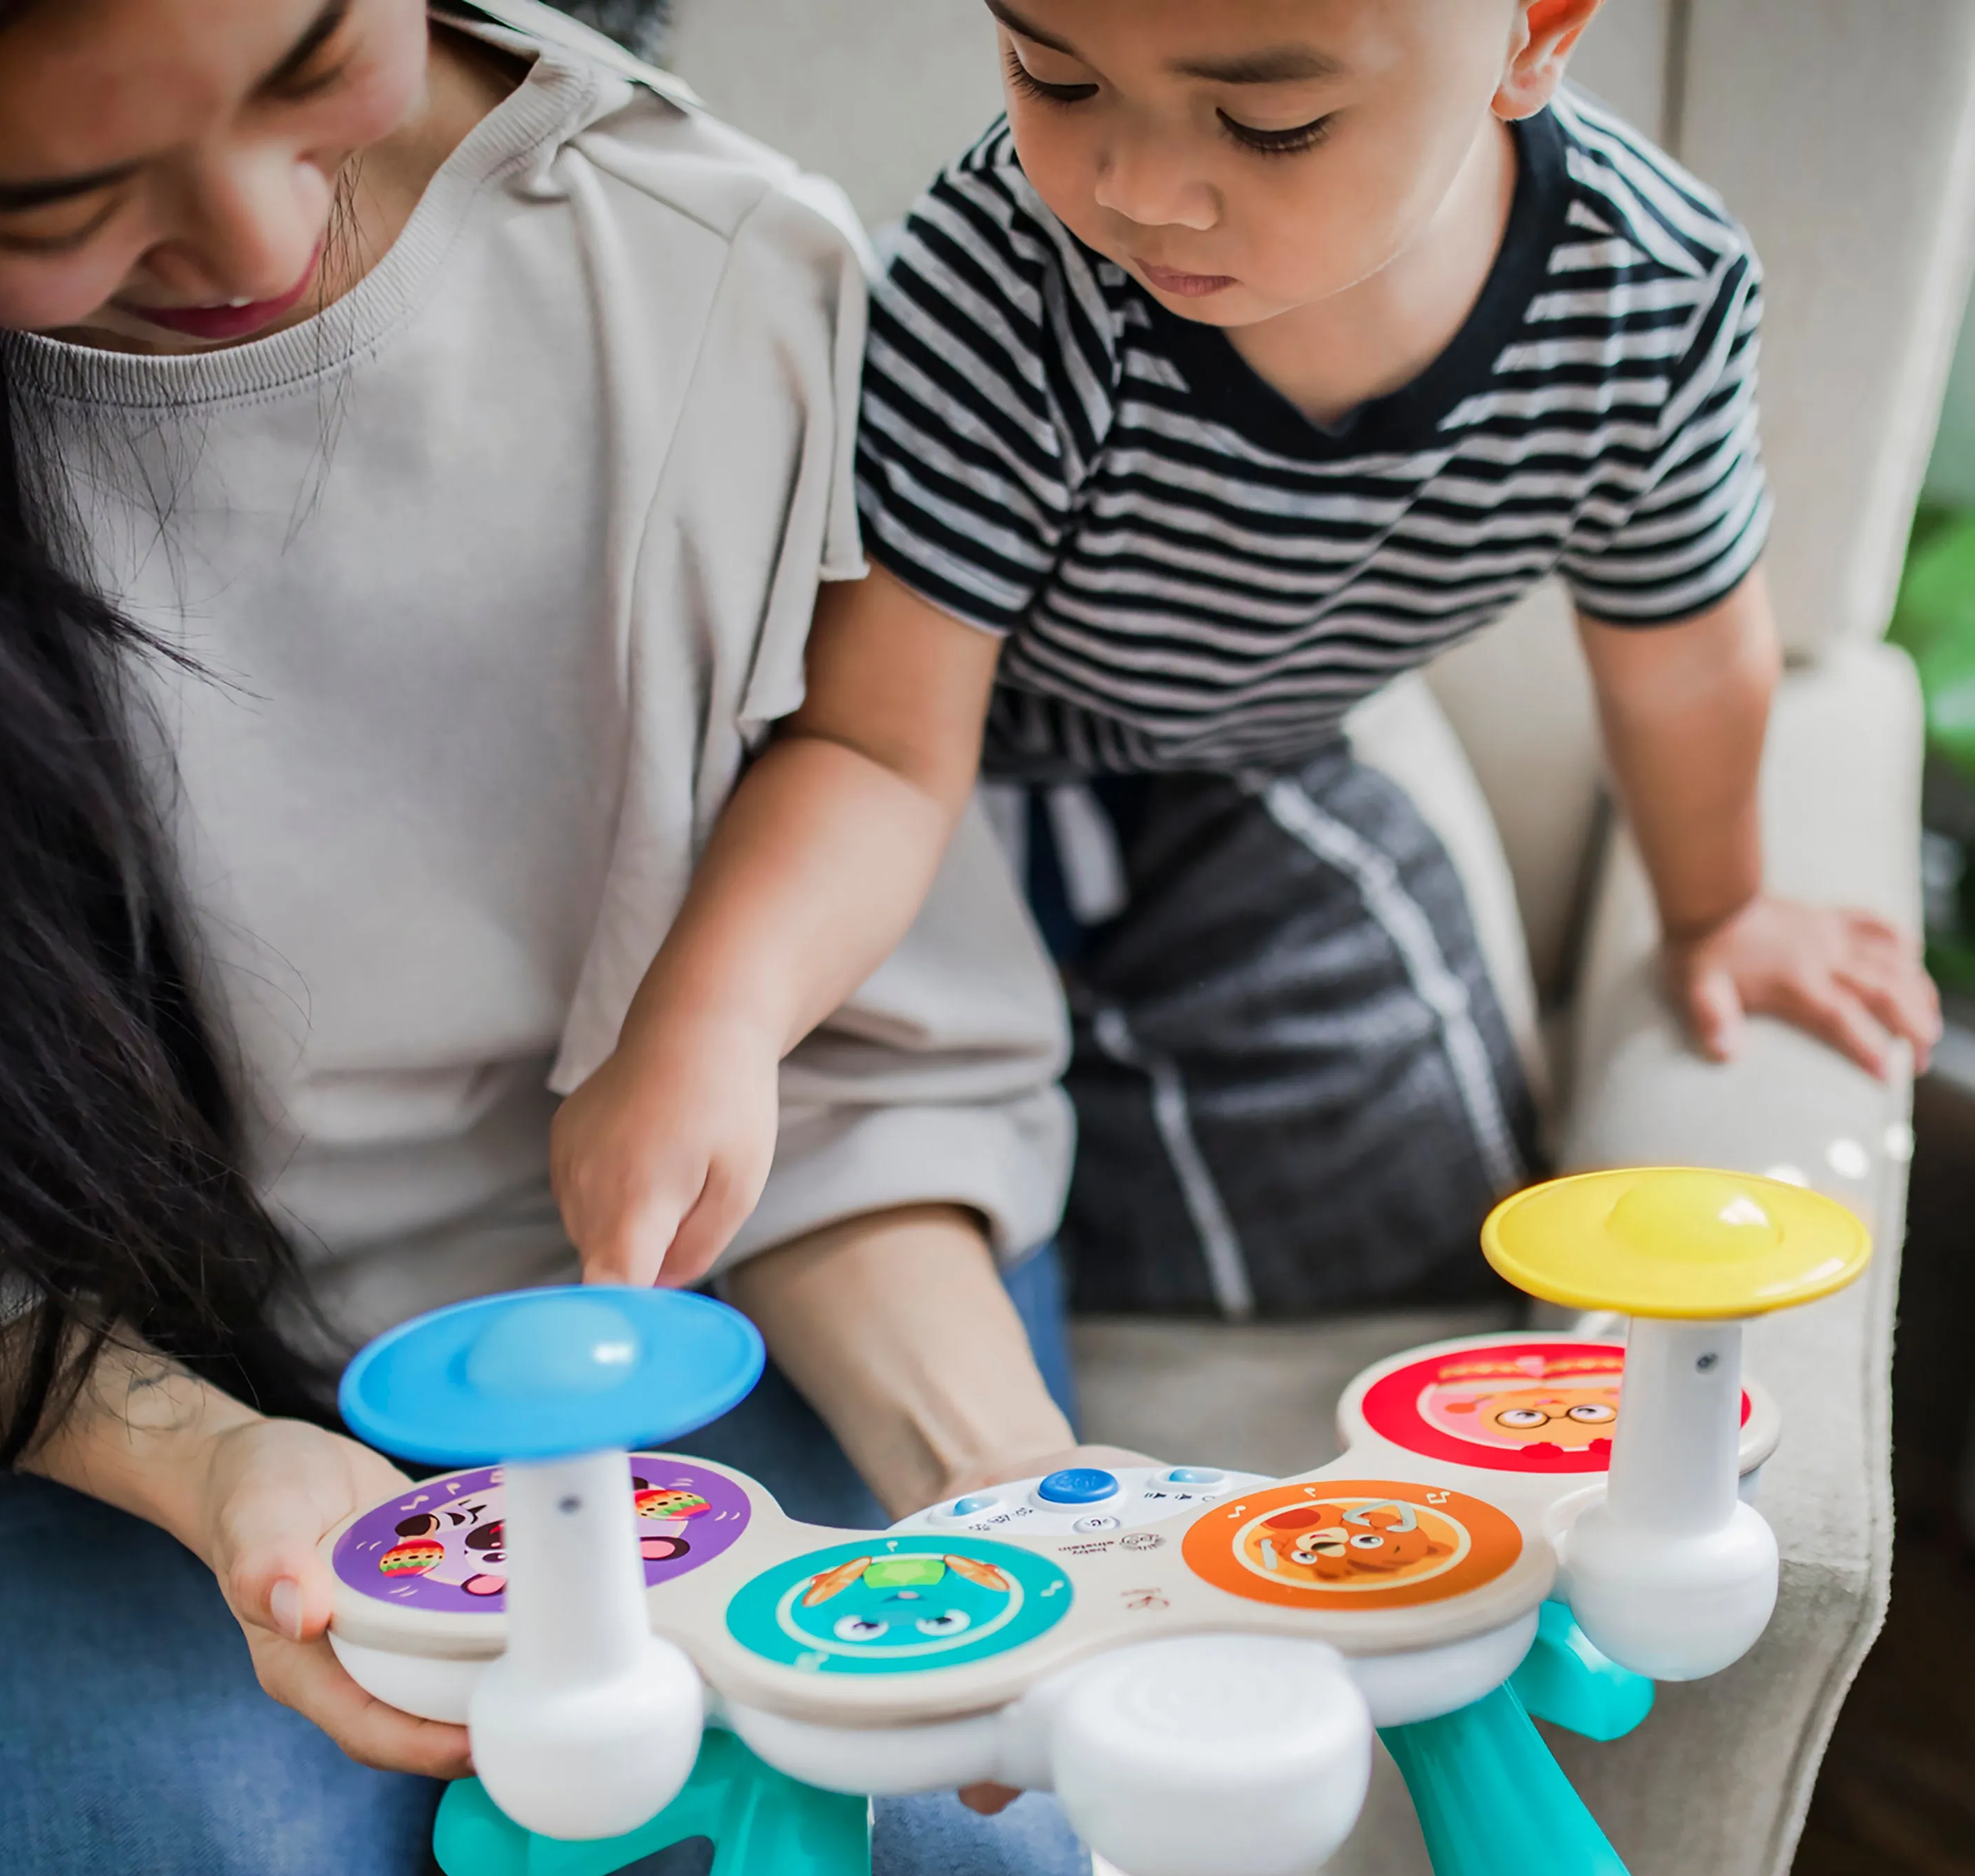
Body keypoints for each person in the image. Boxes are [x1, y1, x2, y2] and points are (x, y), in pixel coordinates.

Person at [0, 3, 1115, 1876]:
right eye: (57, 202)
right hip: (42, 1382)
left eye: (308, 68)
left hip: (747, 1284)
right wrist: (203, 1472)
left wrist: (1010, 1495)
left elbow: (859, 1030)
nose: (257, 230)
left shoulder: (705, 274)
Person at [556, 0, 1942, 1321]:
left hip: (1246, 763)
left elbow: (1684, 662)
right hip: (952, 790)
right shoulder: (1005, 277)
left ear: (1536, 37)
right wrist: (717, 1023)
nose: (1144, 188)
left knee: (1425, 1178)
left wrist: (1720, 913)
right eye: (1057, 77)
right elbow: (877, 751)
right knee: (863, 1140)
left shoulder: (1649, 286)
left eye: (1271, 123)